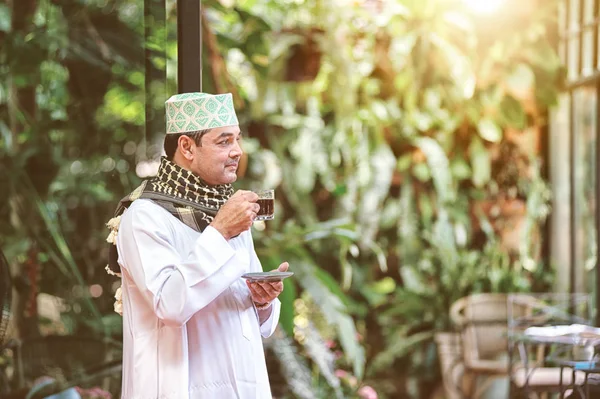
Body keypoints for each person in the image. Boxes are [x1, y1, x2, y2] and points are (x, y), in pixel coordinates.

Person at [105, 92, 288, 399]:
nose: (238, 151)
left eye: (238, 140)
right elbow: (170, 305)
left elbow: (250, 317)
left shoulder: (224, 210)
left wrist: (262, 301)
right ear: (187, 147)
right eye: (224, 141)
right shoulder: (145, 216)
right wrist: (218, 232)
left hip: (244, 385)